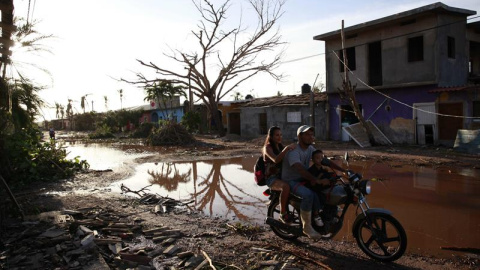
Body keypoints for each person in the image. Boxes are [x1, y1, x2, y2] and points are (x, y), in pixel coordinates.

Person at [281, 125, 346, 239]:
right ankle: (307, 227)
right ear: (299, 136)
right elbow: (300, 169)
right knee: (308, 194)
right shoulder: (293, 151)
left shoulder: (310, 148)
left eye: (312, 134)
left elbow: (323, 160)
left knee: (328, 189)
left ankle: (325, 214)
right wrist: (316, 180)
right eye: (307, 134)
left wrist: (344, 171)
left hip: (304, 178)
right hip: (292, 180)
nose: (311, 137)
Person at [263, 126, 296, 224]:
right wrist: (286, 149)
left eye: (281, 135)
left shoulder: (280, 146)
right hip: (271, 178)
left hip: (283, 176)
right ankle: (282, 214)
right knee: (285, 187)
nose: (279, 137)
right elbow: (276, 159)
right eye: (277, 135)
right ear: (271, 136)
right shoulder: (267, 148)